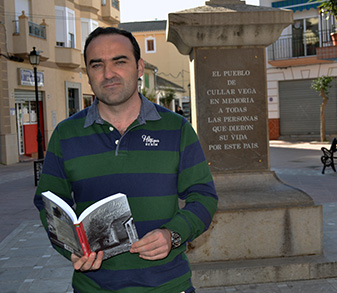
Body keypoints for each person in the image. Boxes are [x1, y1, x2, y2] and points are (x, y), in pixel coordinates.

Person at [33, 27, 218, 293]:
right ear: (88, 75)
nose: (108, 74)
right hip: (93, 288)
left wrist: (173, 234)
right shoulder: (65, 134)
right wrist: (70, 249)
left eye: (119, 61)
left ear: (139, 67)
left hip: (168, 286)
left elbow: (204, 196)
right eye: (97, 65)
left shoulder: (176, 129)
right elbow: (47, 202)